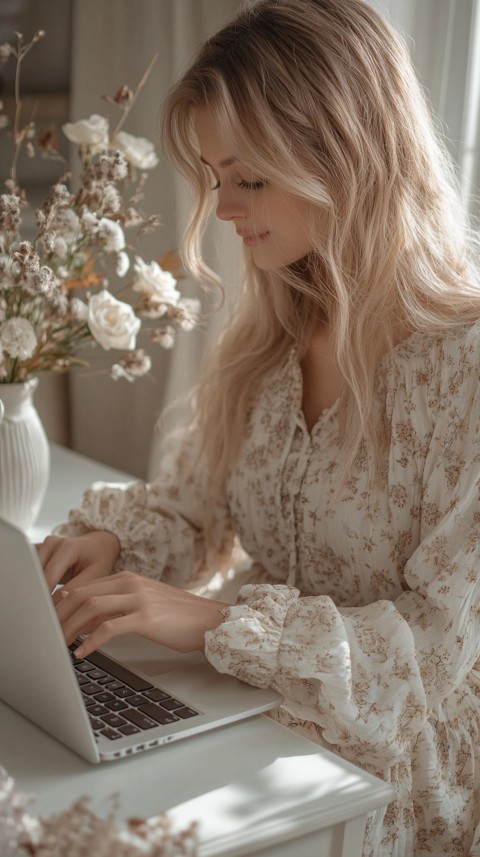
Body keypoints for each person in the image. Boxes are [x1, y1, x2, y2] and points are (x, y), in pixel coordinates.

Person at [37, 1, 480, 854]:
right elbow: (195, 511)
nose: (225, 210)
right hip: (251, 706)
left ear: (343, 155)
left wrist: (211, 624)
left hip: (394, 764)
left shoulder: (462, 365)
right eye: (215, 178)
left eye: (250, 178)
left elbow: (433, 652)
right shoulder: (266, 340)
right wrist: (109, 545)